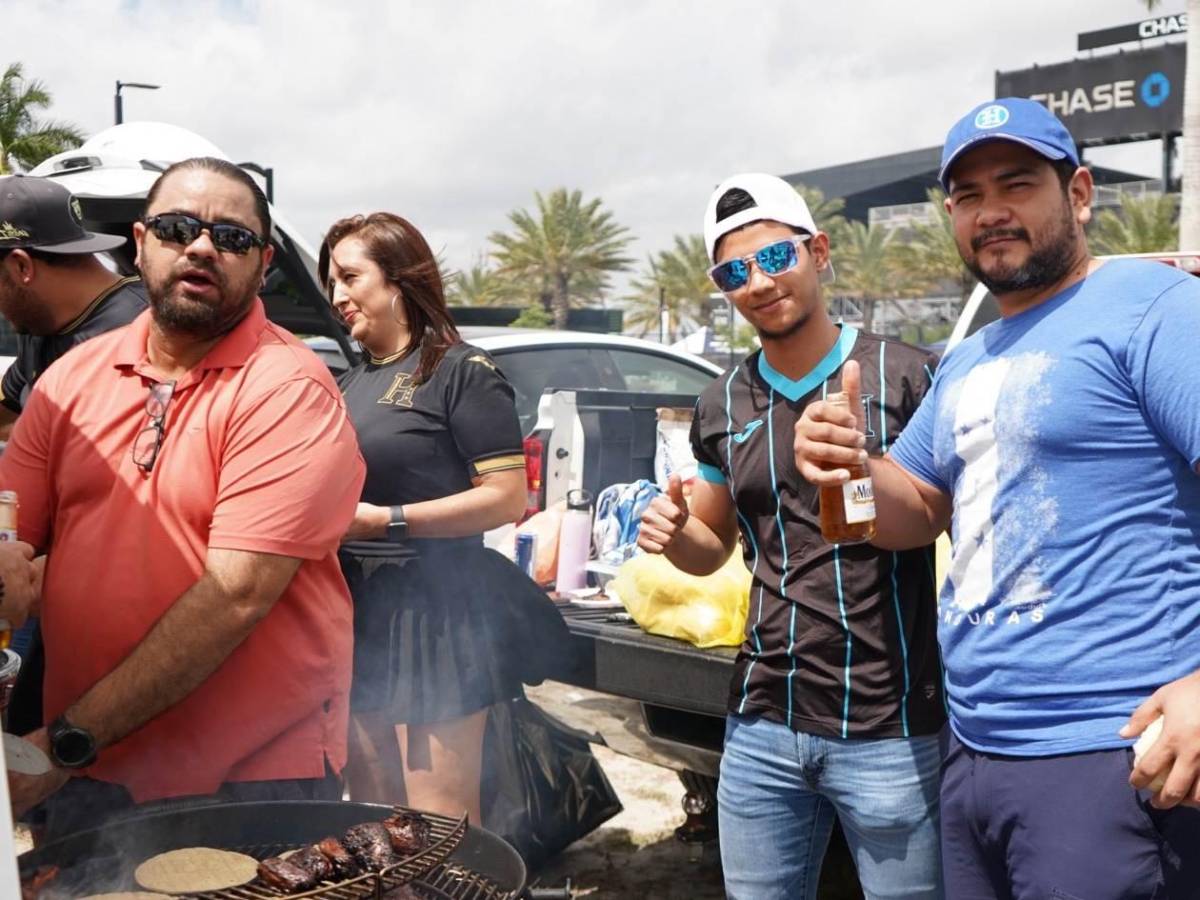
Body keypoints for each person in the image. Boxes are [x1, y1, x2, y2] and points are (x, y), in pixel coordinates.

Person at [794, 97, 1200, 899]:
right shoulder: (968, 357)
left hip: (1112, 755)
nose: (992, 213)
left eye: (1016, 185)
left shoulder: (1155, 310)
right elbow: (917, 509)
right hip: (975, 750)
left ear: (1078, 194)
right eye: (969, 197)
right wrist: (853, 465)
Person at [0, 157, 365, 840]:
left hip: (248, 775)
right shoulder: (68, 381)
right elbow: (11, 527)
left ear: (262, 265)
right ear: (139, 244)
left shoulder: (287, 389)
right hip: (91, 767)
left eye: (231, 238)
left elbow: (235, 594)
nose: (201, 246)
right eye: (177, 228)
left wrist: (67, 741)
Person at [637, 173, 944, 899]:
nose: (758, 283)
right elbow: (711, 546)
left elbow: (931, 517)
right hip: (762, 723)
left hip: (889, 725)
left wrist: (854, 467)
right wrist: (676, 532)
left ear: (820, 252)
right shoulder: (721, 400)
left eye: (776, 258)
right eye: (734, 271)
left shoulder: (907, 377)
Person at [319, 212, 565, 826]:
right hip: (360, 611)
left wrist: (386, 521)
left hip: (438, 614)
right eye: (331, 283)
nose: (337, 296)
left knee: (439, 826)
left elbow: (507, 497)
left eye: (350, 277)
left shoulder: (459, 370)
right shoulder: (348, 382)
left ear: (400, 281)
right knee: (375, 816)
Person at [0, 173, 149, 738]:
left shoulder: (141, 336)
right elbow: (14, 399)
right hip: (39, 589)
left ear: (20, 267)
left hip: (114, 617)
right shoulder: (43, 321)